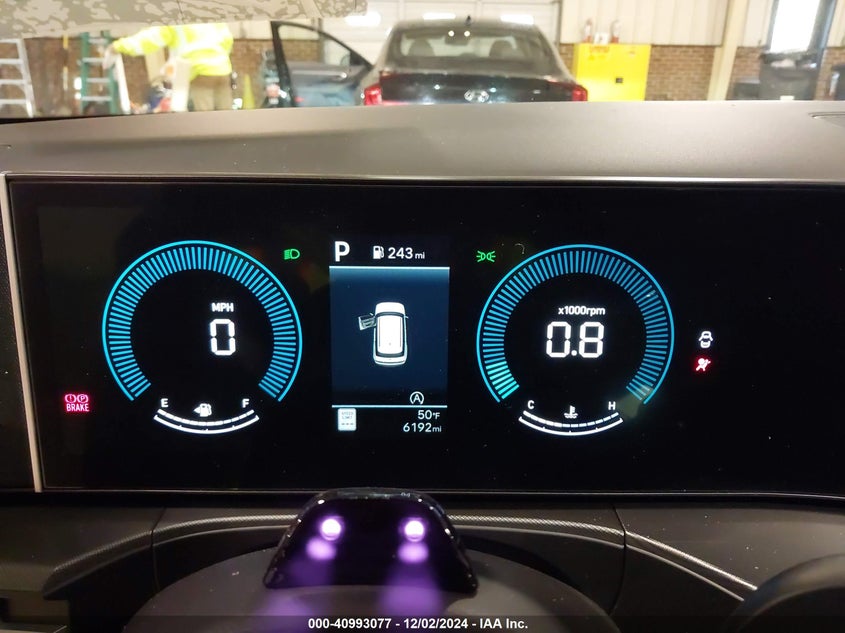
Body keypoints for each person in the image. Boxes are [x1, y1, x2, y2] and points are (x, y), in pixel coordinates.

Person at [107, 23, 234, 111]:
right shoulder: (208, 13)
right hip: (223, 71)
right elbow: (228, 39)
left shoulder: (175, 19)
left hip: (199, 72)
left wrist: (118, 46)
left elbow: (148, 40)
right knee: (226, 116)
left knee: (206, 119)